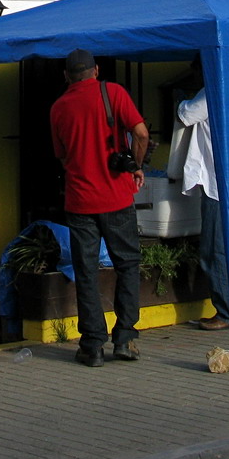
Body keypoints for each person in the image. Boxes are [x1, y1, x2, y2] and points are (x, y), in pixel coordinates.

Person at [50, 48, 148, 366]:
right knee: (127, 265)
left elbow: (62, 156)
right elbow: (141, 133)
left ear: (66, 76)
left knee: (87, 272)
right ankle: (125, 338)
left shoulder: (58, 108)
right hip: (117, 198)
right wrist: (136, 165)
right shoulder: (113, 92)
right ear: (95, 70)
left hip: (80, 202)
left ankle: (92, 345)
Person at [176, 75, 229, 331]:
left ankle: (226, 313)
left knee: (215, 250)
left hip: (216, 184)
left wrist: (181, 101)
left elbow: (185, 114)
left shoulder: (210, 94)